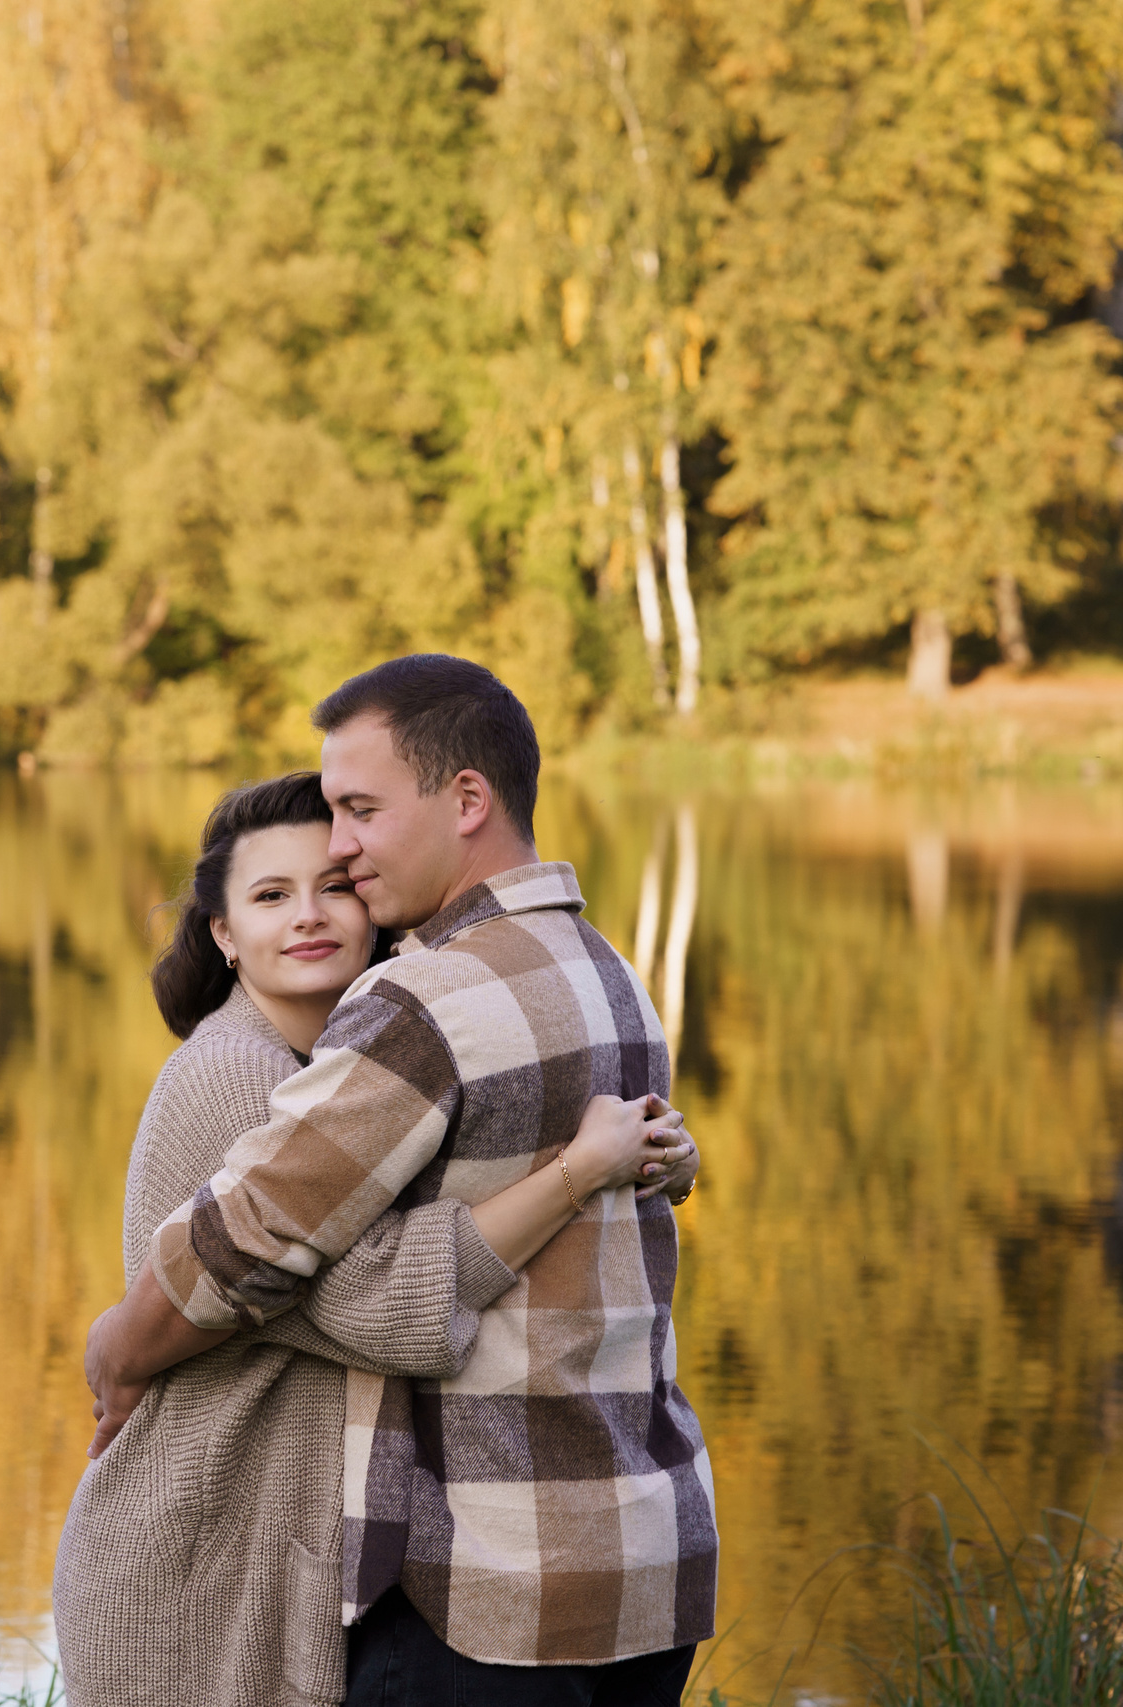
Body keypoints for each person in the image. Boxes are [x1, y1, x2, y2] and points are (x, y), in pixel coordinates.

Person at [83, 655, 719, 1706]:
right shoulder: (608, 973)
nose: (341, 849)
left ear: (466, 798)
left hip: (492, 1588)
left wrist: (120, 1346)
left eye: (359, 813)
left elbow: (246, 1249)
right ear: (223, 933)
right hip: (645, 1553)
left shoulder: (424, 1003)